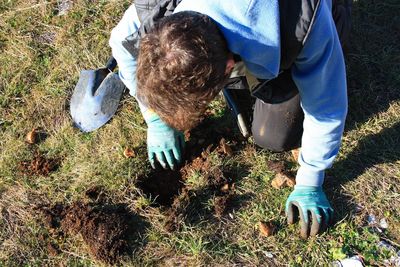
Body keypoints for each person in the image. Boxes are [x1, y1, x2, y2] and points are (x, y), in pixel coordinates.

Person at [109, 0, 351, 238]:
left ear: (228, 67)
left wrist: (310, 179)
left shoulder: (304, 23)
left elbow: (326, 107)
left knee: (275, 136)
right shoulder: (157, 8)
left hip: (301, 21)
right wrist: (154, 117)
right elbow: (121, 42)